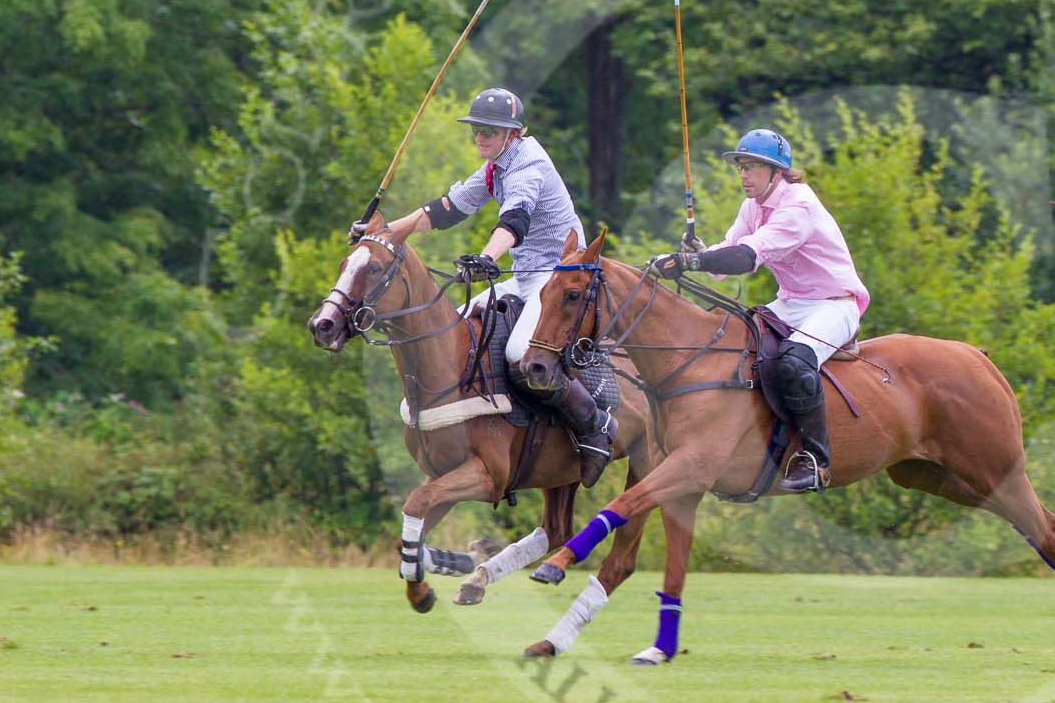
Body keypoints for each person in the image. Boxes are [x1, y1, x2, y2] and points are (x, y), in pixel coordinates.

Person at [363, 87, 616, 485]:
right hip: (526, 276)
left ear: (513, 134)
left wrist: (486, 257)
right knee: (452, 333)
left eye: (491, 131)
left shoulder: (527, 165)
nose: (481, 137)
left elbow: (514, 220)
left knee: (518, 351)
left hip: (558, 280)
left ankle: (592, 425)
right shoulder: (495, 166)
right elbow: (447, 208)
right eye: (477, 130)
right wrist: (381, 233)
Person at [654, 128, 868, 492]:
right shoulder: (751, 208)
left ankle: (816, 460)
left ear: (777, 172)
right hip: (791, 303)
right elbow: (726, 255)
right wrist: (697, 256)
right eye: (741, 167)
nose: (743, 175)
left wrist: (688, 262)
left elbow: (748, 255)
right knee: (732, 341)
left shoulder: (798, 205)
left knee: (793, 363)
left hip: (834, 304)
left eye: (752, 167)